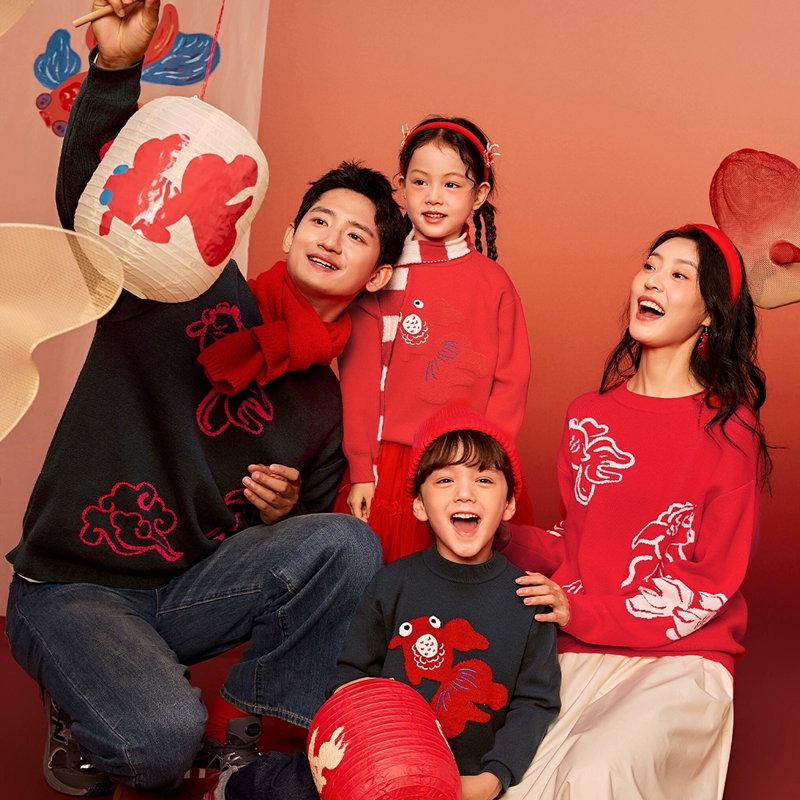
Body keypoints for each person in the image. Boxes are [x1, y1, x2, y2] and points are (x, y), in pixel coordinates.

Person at [4, 1, 406, 796]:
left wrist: (278, 513)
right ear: (287, 235)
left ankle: (242, 733)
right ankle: (88, 694)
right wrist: (117, 70)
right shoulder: (187, 283)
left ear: (379, 274)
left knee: (349, 542)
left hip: (185, 596)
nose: (331, 238)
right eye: (320, 220)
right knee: (157, 749)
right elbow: (92, 213)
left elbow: (311, 562)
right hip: (74, 584)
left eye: (356, 236)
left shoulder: (324, 403)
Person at [500, 225, 769, 800]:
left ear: (709, 315)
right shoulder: (587, 416)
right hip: (575, 649)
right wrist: (499, 536)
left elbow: (709, 584)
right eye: (651, 265)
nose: (654, 281)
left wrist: (579, 611)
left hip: (680, 659)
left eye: (679, 275)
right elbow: (578, 543)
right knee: (508, 780)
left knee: (597, 774)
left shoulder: (731, 432)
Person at [203, 404, 561, 800]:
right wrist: (372, 750)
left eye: (484, 479)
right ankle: (227, 785)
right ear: (419, 505)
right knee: (292, 786)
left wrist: (493, 778)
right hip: (372, 770)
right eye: (445, 480)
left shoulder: (530, 598)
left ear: (509, 504)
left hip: (465, 783)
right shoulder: (392, 582)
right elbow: (349, 676)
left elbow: (536, 703)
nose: (465, 492)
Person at [335, 116, 533, 563]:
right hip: (387, 463)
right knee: (382, 579)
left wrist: (487, 470)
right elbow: (359, 378)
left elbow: (511, 382)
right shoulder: (381, 273)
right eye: (421, 182)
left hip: (465, 464)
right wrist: (362, 467)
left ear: (479, 195)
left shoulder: (495, 284)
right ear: (401, 186)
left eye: (452, 184)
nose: (434, 197)